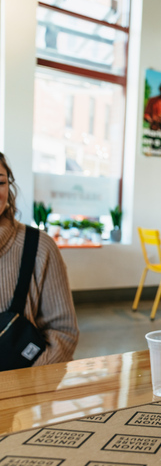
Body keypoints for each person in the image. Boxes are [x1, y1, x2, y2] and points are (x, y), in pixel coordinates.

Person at [0, 152, 79, 367]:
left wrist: (22, 387)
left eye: (0, 182)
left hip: (24, 392)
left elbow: (64, 334)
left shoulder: (39, 248)